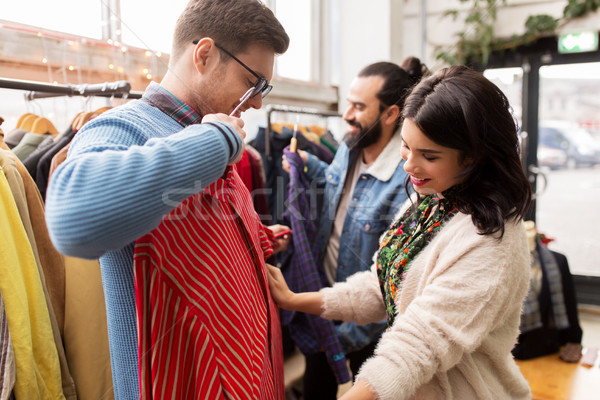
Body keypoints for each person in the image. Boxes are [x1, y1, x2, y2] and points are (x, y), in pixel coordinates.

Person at [45, 1, 290, 398]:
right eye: (253, 83)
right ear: (205, 54)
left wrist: (253, 237)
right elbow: (72, 221)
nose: (258, 102)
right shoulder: (125, 126)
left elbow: (186, 231)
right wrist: (216, 140)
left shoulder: (206, 134)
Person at [268, 65, 534, 399]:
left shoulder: (490, 240)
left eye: (429, 155)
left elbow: (417, 345)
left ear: (474, 156)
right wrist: (295, 299)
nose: (408, 165)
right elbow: (380, 285)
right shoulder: (431, 201)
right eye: (406, 147)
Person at [281, 59, 428, 398]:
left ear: (391, 114)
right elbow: (338, 187)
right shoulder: (350, 148)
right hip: (325, 308)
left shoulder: (407, 182)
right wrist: (307, 163)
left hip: (364, 331)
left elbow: (394, 283)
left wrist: (338, 339)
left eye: (359, 106)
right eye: (349, 102)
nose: (347, 114)